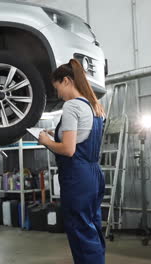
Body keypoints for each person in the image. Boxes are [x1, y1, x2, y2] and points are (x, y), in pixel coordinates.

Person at [39, 59, 106, 264]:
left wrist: (47, 141)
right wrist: (56, 133)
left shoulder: (71, 106)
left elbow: (68, 149)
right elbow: (80, 135)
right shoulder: (94, 106)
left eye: (57, 87)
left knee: (80, 232)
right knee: (92, 228)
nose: (58, 94)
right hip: (94, 175)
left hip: (77, 177)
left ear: (67, 81)